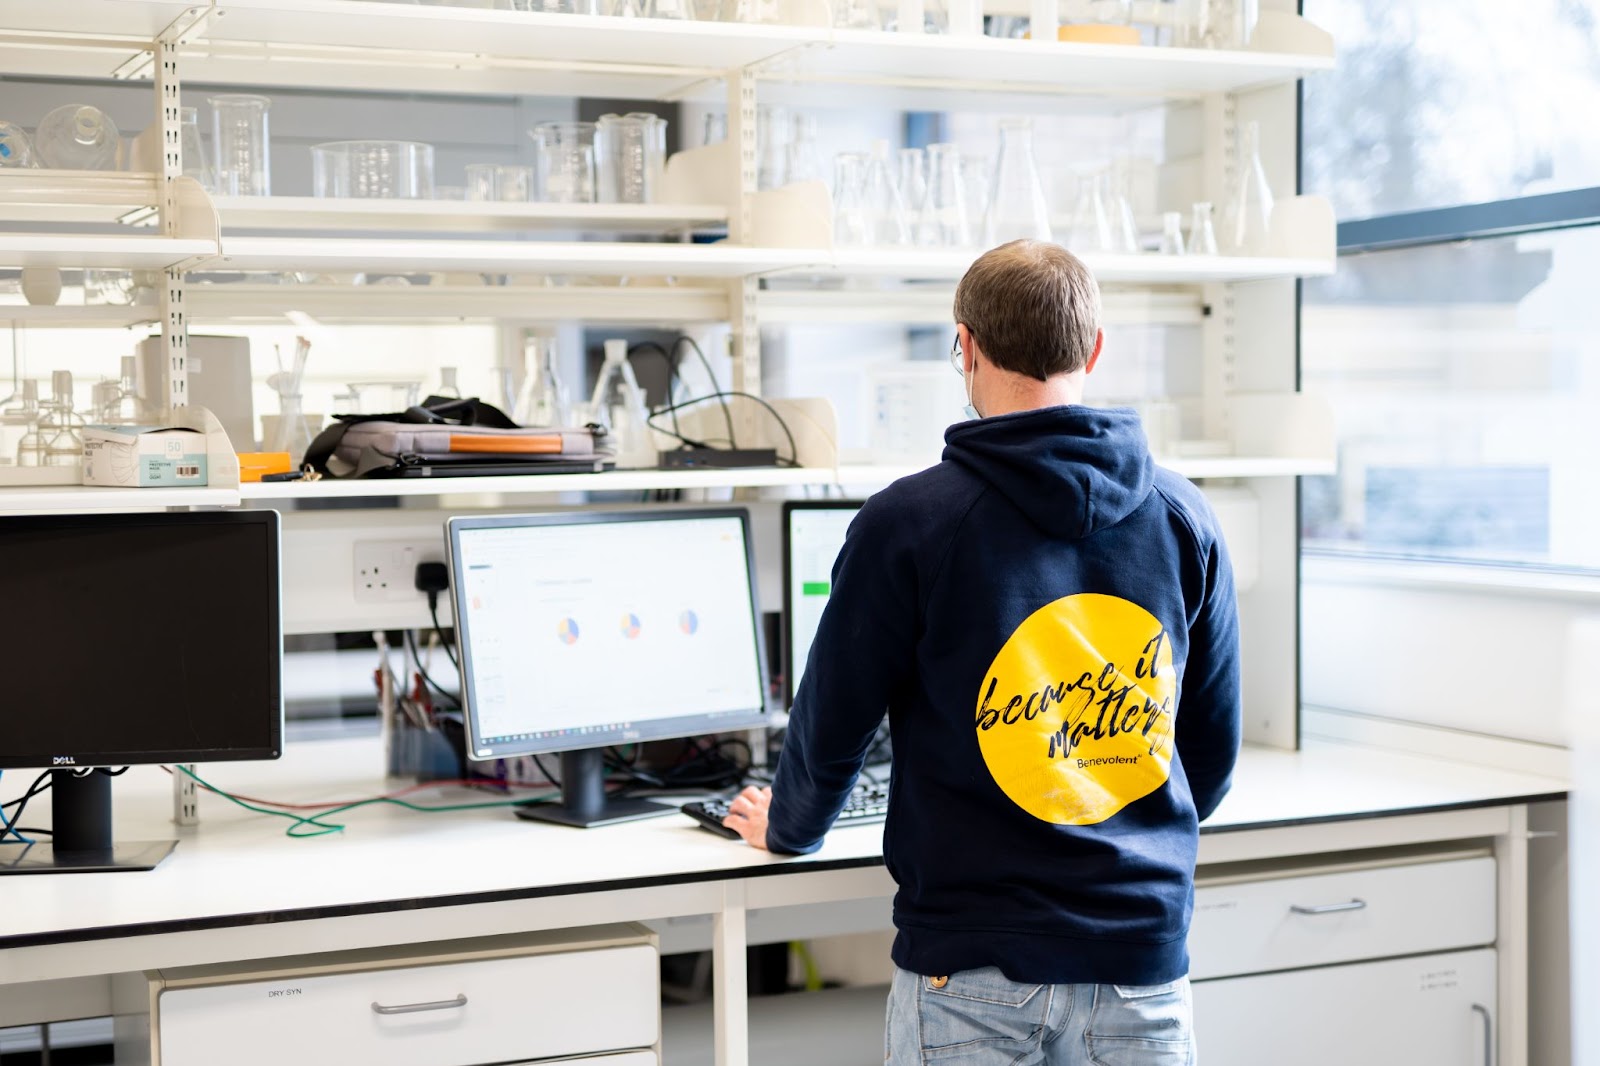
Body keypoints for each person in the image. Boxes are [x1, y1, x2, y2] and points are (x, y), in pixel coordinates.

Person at [722, 239, 1242, 1065]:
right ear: (1094, 349)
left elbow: (832, 726)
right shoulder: (1186, 518)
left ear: (963, 348)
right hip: (1140, 960)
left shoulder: (909, 522)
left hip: (970, 968)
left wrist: (787, 829)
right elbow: (1206, 758)